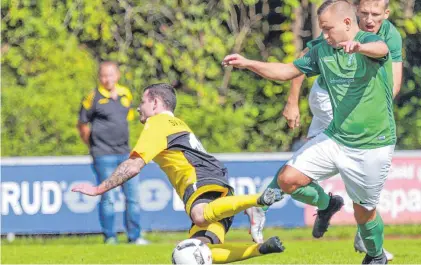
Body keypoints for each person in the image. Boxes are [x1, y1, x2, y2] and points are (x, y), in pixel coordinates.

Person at [223, 0, 395, 263]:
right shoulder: (321, 50)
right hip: (336, 137)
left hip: (373, 145)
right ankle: (328, 205)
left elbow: (380, 49)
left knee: (364, 214)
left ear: (347, 23)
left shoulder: (370, 41)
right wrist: (248, 63)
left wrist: (360, 47)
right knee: (287, 178)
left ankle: (376, 256)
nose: (324, 35)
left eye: (328, 29)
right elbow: (287, 71)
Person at [73, 83, 285, 263]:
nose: (138, 108)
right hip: (216, 183)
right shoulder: (176, 122)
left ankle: (256, 202)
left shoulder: (157, 123)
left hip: (200, 177)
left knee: (199, 215)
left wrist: (99, 188)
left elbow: (134, 165)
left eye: (143, 102)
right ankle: (260, 248)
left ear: (155, 103)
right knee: (199, 249)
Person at [77, 61, 148, 245]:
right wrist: (93, 145)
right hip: (103, 154)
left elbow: (129, 118)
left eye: (110, 75)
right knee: (107, 196)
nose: (107, 79)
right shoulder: (92, 97)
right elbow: (82, 125)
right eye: (103, 75)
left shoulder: (126, 94)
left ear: (117, 75)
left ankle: (135, 237)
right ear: (99, 77)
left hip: (125, 153)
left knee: (133, 197)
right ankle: (110, 237)